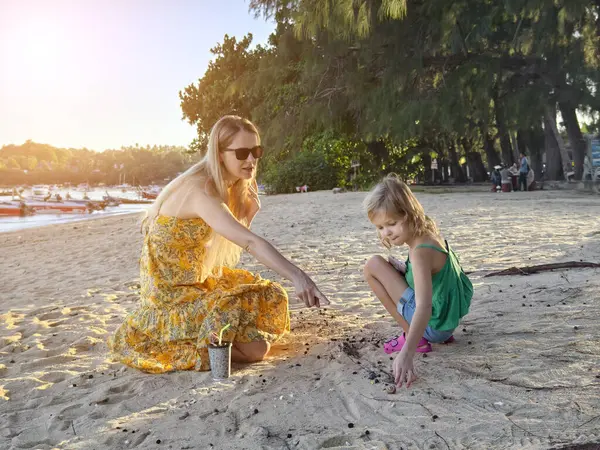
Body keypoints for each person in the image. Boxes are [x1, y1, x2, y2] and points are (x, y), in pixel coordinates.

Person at [109, 115, 329, 373]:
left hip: (194, 283)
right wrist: (299, 276)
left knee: (269, 295)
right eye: (242, 152)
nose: (251, 160)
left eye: (256, 151)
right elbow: (248, 242)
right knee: (257, 350)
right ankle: (189, 343)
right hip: (170, 298)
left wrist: (248, 213)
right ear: (220, 153)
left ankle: (204, 337)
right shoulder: (200, 190)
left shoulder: (221, 184)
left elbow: (227, 243)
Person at [362, 174, 473, 388]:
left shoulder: (420, 252)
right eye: (380, 227)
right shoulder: (429, 234)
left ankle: (414, 337)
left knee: (372, 266)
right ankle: (426, 335)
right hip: (446, 321)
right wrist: (405, 271)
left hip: (433, 326)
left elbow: (424, 306)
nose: (386, 233)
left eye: (391, 224)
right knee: (385, 268)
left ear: (409, 214)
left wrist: (407, 353)